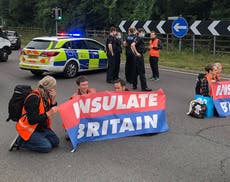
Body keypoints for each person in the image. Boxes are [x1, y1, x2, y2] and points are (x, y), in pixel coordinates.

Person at [10, 75, 59, 153]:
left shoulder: (46, 95)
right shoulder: (34, 98)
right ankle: (20, 141)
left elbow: (51, 109)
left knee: (55, 142)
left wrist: (53, 100)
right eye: (53, 87)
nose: (54, 89)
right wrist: (48, 113)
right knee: (46, 147)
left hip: (41, 127)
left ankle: (37, 138)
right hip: (30, 128)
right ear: (48, 88)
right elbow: (32, 120)